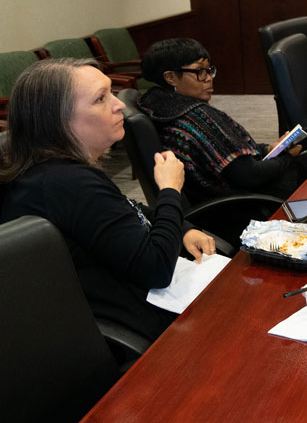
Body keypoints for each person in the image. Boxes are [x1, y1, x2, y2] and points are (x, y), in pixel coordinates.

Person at [0, 58, 216, 341]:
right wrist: (169, 190)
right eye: (101, 99)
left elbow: (123, 209)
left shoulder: (47, 168)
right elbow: (157, 270)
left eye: (111, 92)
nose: (120, 105)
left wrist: (183, 228)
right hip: (139, 330)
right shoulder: (71, 184)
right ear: (59, 120)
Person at [139, 38, 307, 202]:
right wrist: (286, 157)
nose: (208, 79)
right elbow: (249, 175)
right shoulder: (198, 118)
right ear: (171, 77)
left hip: (225, 200)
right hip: (250, 204)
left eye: (208, 71)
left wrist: (266, 149)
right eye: (199, 72)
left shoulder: (159, 107)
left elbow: (232, 158)